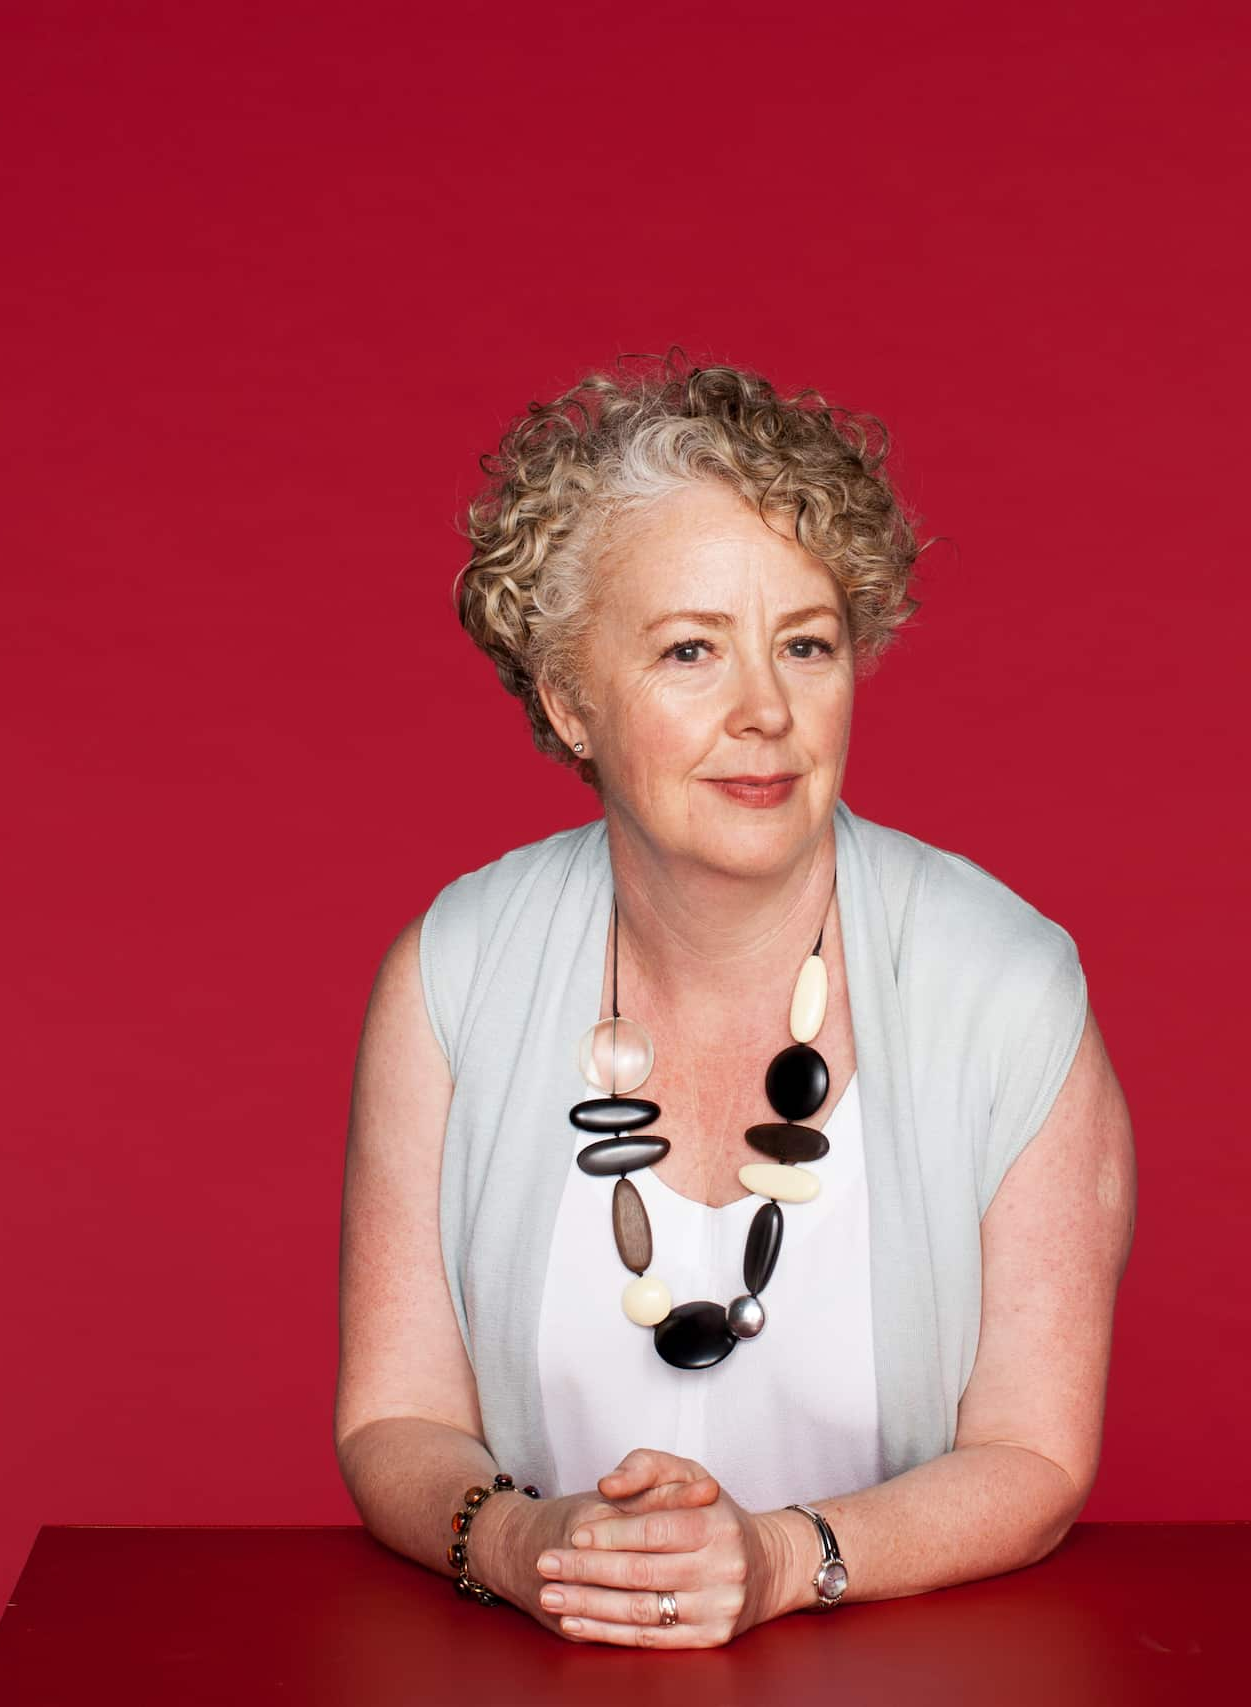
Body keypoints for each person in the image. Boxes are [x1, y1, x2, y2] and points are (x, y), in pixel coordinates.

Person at [333, 347, 1137, 1649]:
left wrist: (775, 1559)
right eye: (691, 649)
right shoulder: (451, 973)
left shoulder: (1006, 985)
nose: (765, 710)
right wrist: (524, 1538)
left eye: (805, 644)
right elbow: (394, 1419)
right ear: (571, 698)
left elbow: (1035, 1456)